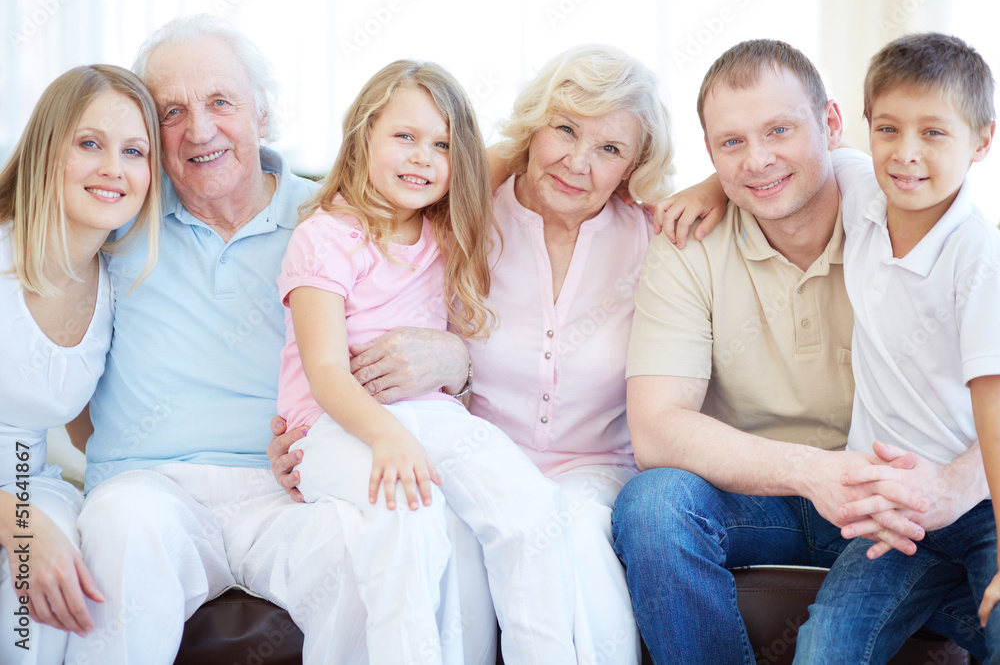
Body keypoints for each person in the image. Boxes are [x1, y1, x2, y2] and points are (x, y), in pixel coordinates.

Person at [63, 16, 494, 665]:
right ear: (150, 134)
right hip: (152, 488)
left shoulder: (343, 217)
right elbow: (55, 386)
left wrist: (456, 360)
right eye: (172, 111)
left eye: (221, 102)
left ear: (263, 113)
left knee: (385, 550)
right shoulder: (115, 216)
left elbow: (477, 191)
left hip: (292, 489)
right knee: (122, 524)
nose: (200, 130)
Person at [270, 43, 675, 665]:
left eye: (610, 149)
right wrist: (338, 433)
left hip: (577, 467)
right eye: (562, 129)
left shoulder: (654, 237)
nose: (577, 161)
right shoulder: (464, 212)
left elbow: (756, 184)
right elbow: (323, 367)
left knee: (564, 536)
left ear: (634, 165)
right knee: (438, 533)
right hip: (445, 439)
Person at [612, 38, 989, 664]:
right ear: (710, 151)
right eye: (731, 143)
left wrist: (950, 485)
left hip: (893, 501)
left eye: (780, 130)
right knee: (652, 507)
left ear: (834, 125)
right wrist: (815, 474)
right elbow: (655, 430)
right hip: (764, 498)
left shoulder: (896, 198)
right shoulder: (686, 244)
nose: (758, 161)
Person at [790, 33, 1000, 663]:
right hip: (892, 519)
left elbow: (993, 408)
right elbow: (780, 171)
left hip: (982, 506)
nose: (906, 155)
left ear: (982, 140)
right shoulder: (860, 196)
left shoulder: (979, 254)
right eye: (888, 129)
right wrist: (706, 191)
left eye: (934, 133)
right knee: (825, 649)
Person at [0, 64, 160, 665]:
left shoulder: (117, 285)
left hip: (28, 484)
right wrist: (16, 523)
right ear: (47, 150)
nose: (114, 169)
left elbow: (93, 428)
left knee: (63, 570)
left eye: (134, 151)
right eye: (90, 144)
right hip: (12, 499)